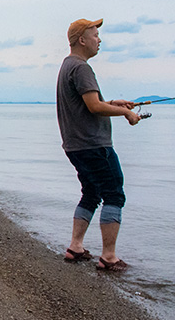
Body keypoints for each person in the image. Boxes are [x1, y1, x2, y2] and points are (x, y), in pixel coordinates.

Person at [56, 18, 141, 271]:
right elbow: (94, 107)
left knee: (92, 193)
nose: (99, 39)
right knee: (114, 194)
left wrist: (115, 103)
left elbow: (88, 104)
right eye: (95, 35)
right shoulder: (81, 68)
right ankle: (109, 257)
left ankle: (75, 247)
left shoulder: (68, 65)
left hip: (76, 145)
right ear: (82, 40)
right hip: (93, 145)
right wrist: (126, 114)